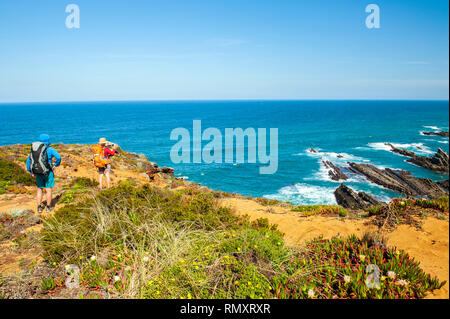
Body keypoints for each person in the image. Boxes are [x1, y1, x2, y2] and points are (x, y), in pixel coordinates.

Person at [26, 134, 61, 213]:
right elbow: (58, 157)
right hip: (48, 172)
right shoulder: (50, 149)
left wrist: (31, 171)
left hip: (38, 172)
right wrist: (56, 164)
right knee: (48, 189)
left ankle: (39, 207)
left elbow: (29, 161)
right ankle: (48, 207)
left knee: (39, 189)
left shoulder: (35, 150)